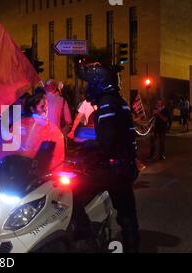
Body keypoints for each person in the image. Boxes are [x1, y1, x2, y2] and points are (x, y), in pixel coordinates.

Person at [76, 61, 140, 253]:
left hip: (111, 170)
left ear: (99, 82)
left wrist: (85, 149)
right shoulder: (119, 102)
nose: (88, 87)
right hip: (124, 167)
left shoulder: (106, 105)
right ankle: (131, 246)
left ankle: (87, 239)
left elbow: (106, 143)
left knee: (71, 193)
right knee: (128, 214)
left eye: (90, 82)